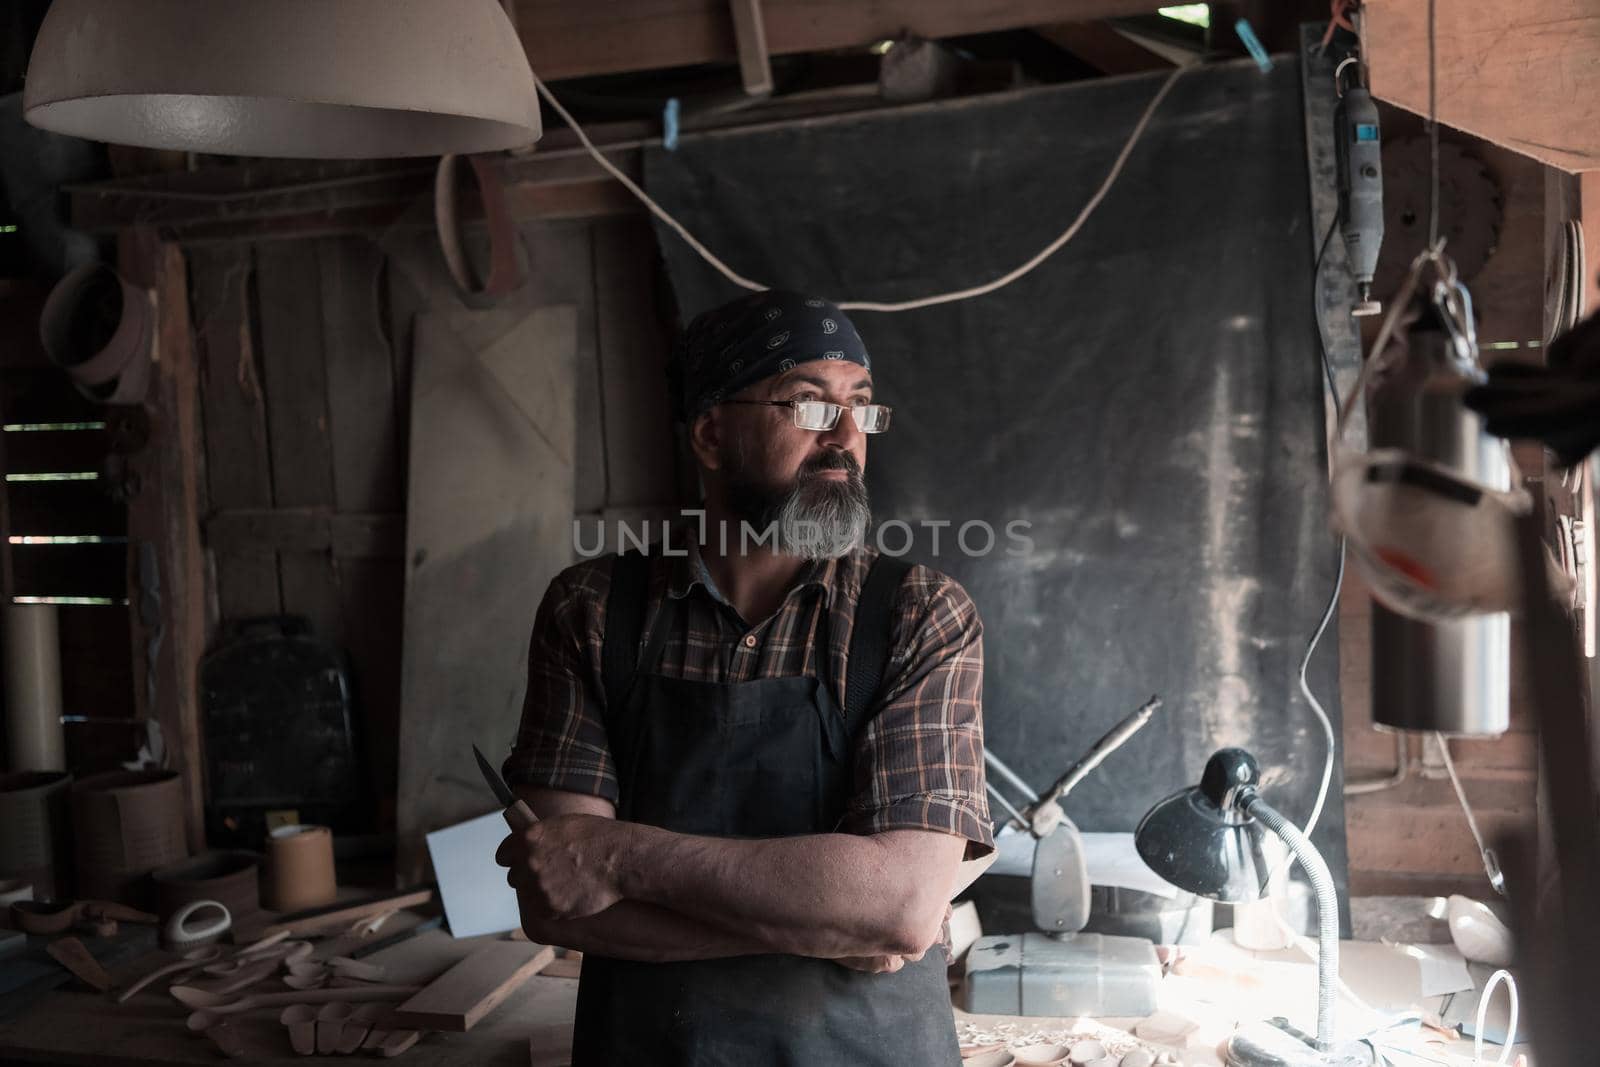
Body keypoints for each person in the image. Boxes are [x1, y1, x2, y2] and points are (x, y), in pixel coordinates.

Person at [496, 289, 991, 1066]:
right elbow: (559, 902)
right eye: (810, 405)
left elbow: (899, 904)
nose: (849, 438)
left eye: (861, 406)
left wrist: (620, 856)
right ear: (710, 434)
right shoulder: (593, 611)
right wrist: (833, 923)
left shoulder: (918, 614)